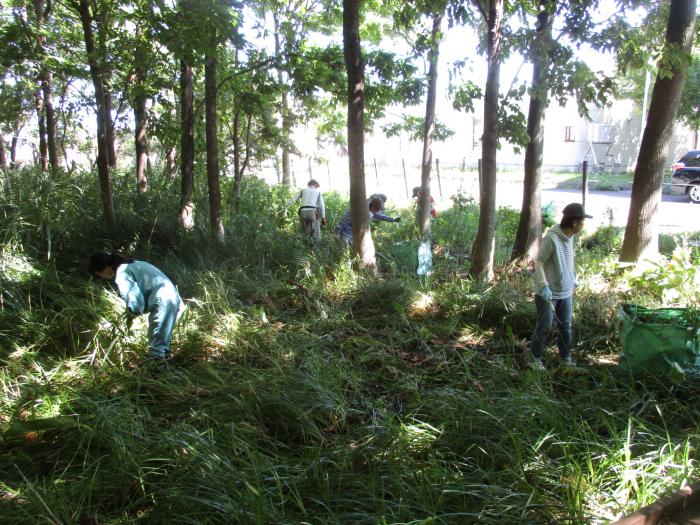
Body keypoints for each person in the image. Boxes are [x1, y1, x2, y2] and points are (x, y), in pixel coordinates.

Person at [530, 202, 592, 370]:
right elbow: (539, 263)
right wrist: (543, 285)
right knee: (544, 327)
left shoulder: (570, 237)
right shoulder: (552, 238)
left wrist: (573, 279)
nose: (583, 225)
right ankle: (535, 359)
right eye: (582, 221)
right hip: (548, 293)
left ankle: (565, 358)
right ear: (574, 222)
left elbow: (568, 261)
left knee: (566, 326)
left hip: (565, 292)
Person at [90, 252, 181, 362]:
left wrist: (130, 316)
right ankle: (170, 370)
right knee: (162, 342)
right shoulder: (135, 263)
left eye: (99, 274)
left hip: (162, 301)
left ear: (102, 269)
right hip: (172, 297)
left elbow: (136, 302)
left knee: (157, 348)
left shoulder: (122, 274)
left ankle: (161, 374)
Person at [335, 195, 400, 246]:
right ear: (374, 207)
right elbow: (343, 222)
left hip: (350, 234)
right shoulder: (364, 211)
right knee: (344, 253)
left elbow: (378, 215)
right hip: (343, 233)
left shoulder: (368, 208)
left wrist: (392, 220)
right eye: (379, 209)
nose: (379, 211)